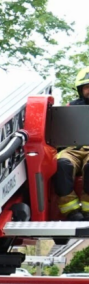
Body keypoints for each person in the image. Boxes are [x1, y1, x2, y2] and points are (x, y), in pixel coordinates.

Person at [54, 66, 89, 218]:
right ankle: (71, 211)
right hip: (72, 148)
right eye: (86, 87)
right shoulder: (71, 106)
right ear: (80, 89)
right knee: (61, 164)